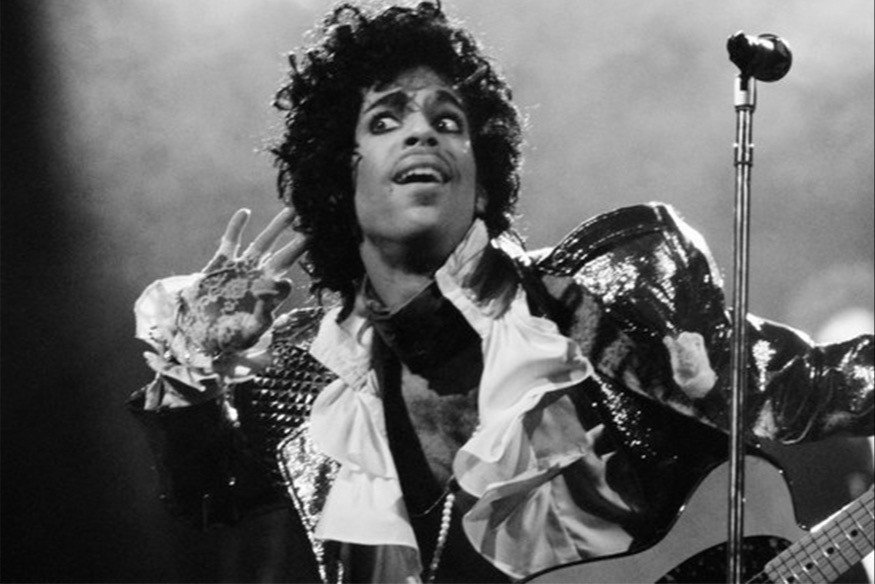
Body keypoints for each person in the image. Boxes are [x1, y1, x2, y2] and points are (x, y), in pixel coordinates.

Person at [129, 1, 874, 582]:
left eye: (446, 120)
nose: (422, 133)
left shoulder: (600, 285)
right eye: (385, 119)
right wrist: (189, 369)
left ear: (481, 173)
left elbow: (803, 390)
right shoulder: (312, 377)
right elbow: (210, 495)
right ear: (335, 176)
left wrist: (721, 385)